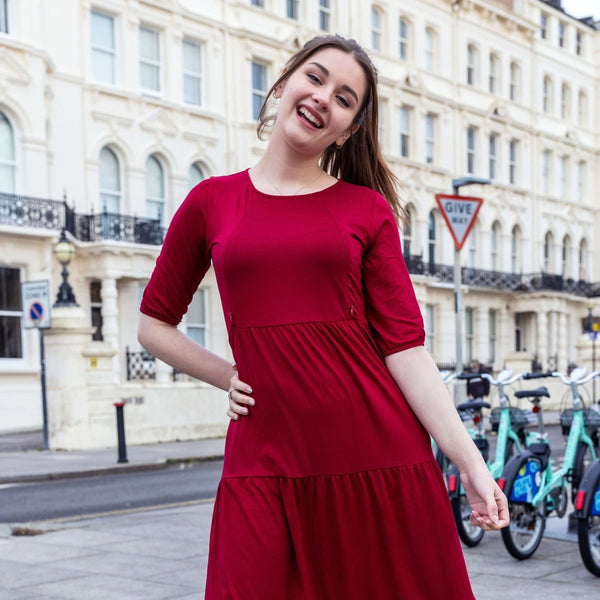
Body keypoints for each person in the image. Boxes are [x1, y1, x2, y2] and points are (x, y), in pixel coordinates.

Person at [138, 34, 508, 599]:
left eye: (344, 98)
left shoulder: (366, 210)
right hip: (263, 458)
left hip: (375, 454)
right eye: (315, 78)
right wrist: (226, 375)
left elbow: (405, 348)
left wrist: (471, 465)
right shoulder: (211, 202)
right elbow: (153, 325)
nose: (321, 98)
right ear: (285, 81)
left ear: (348, 128)